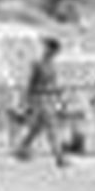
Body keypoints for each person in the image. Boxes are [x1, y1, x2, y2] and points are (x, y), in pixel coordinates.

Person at [15, 36, 68, 166]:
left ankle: (21, 149)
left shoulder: (52, 65)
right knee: (52, 127)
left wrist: (59, 97)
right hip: (39, 98)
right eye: (52, 49)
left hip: (48, 98)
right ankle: (59, 157)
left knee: (36, 128)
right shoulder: (37, 64)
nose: (53, 53)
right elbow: (30, 84)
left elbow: (53, 84)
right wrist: (26, 101)